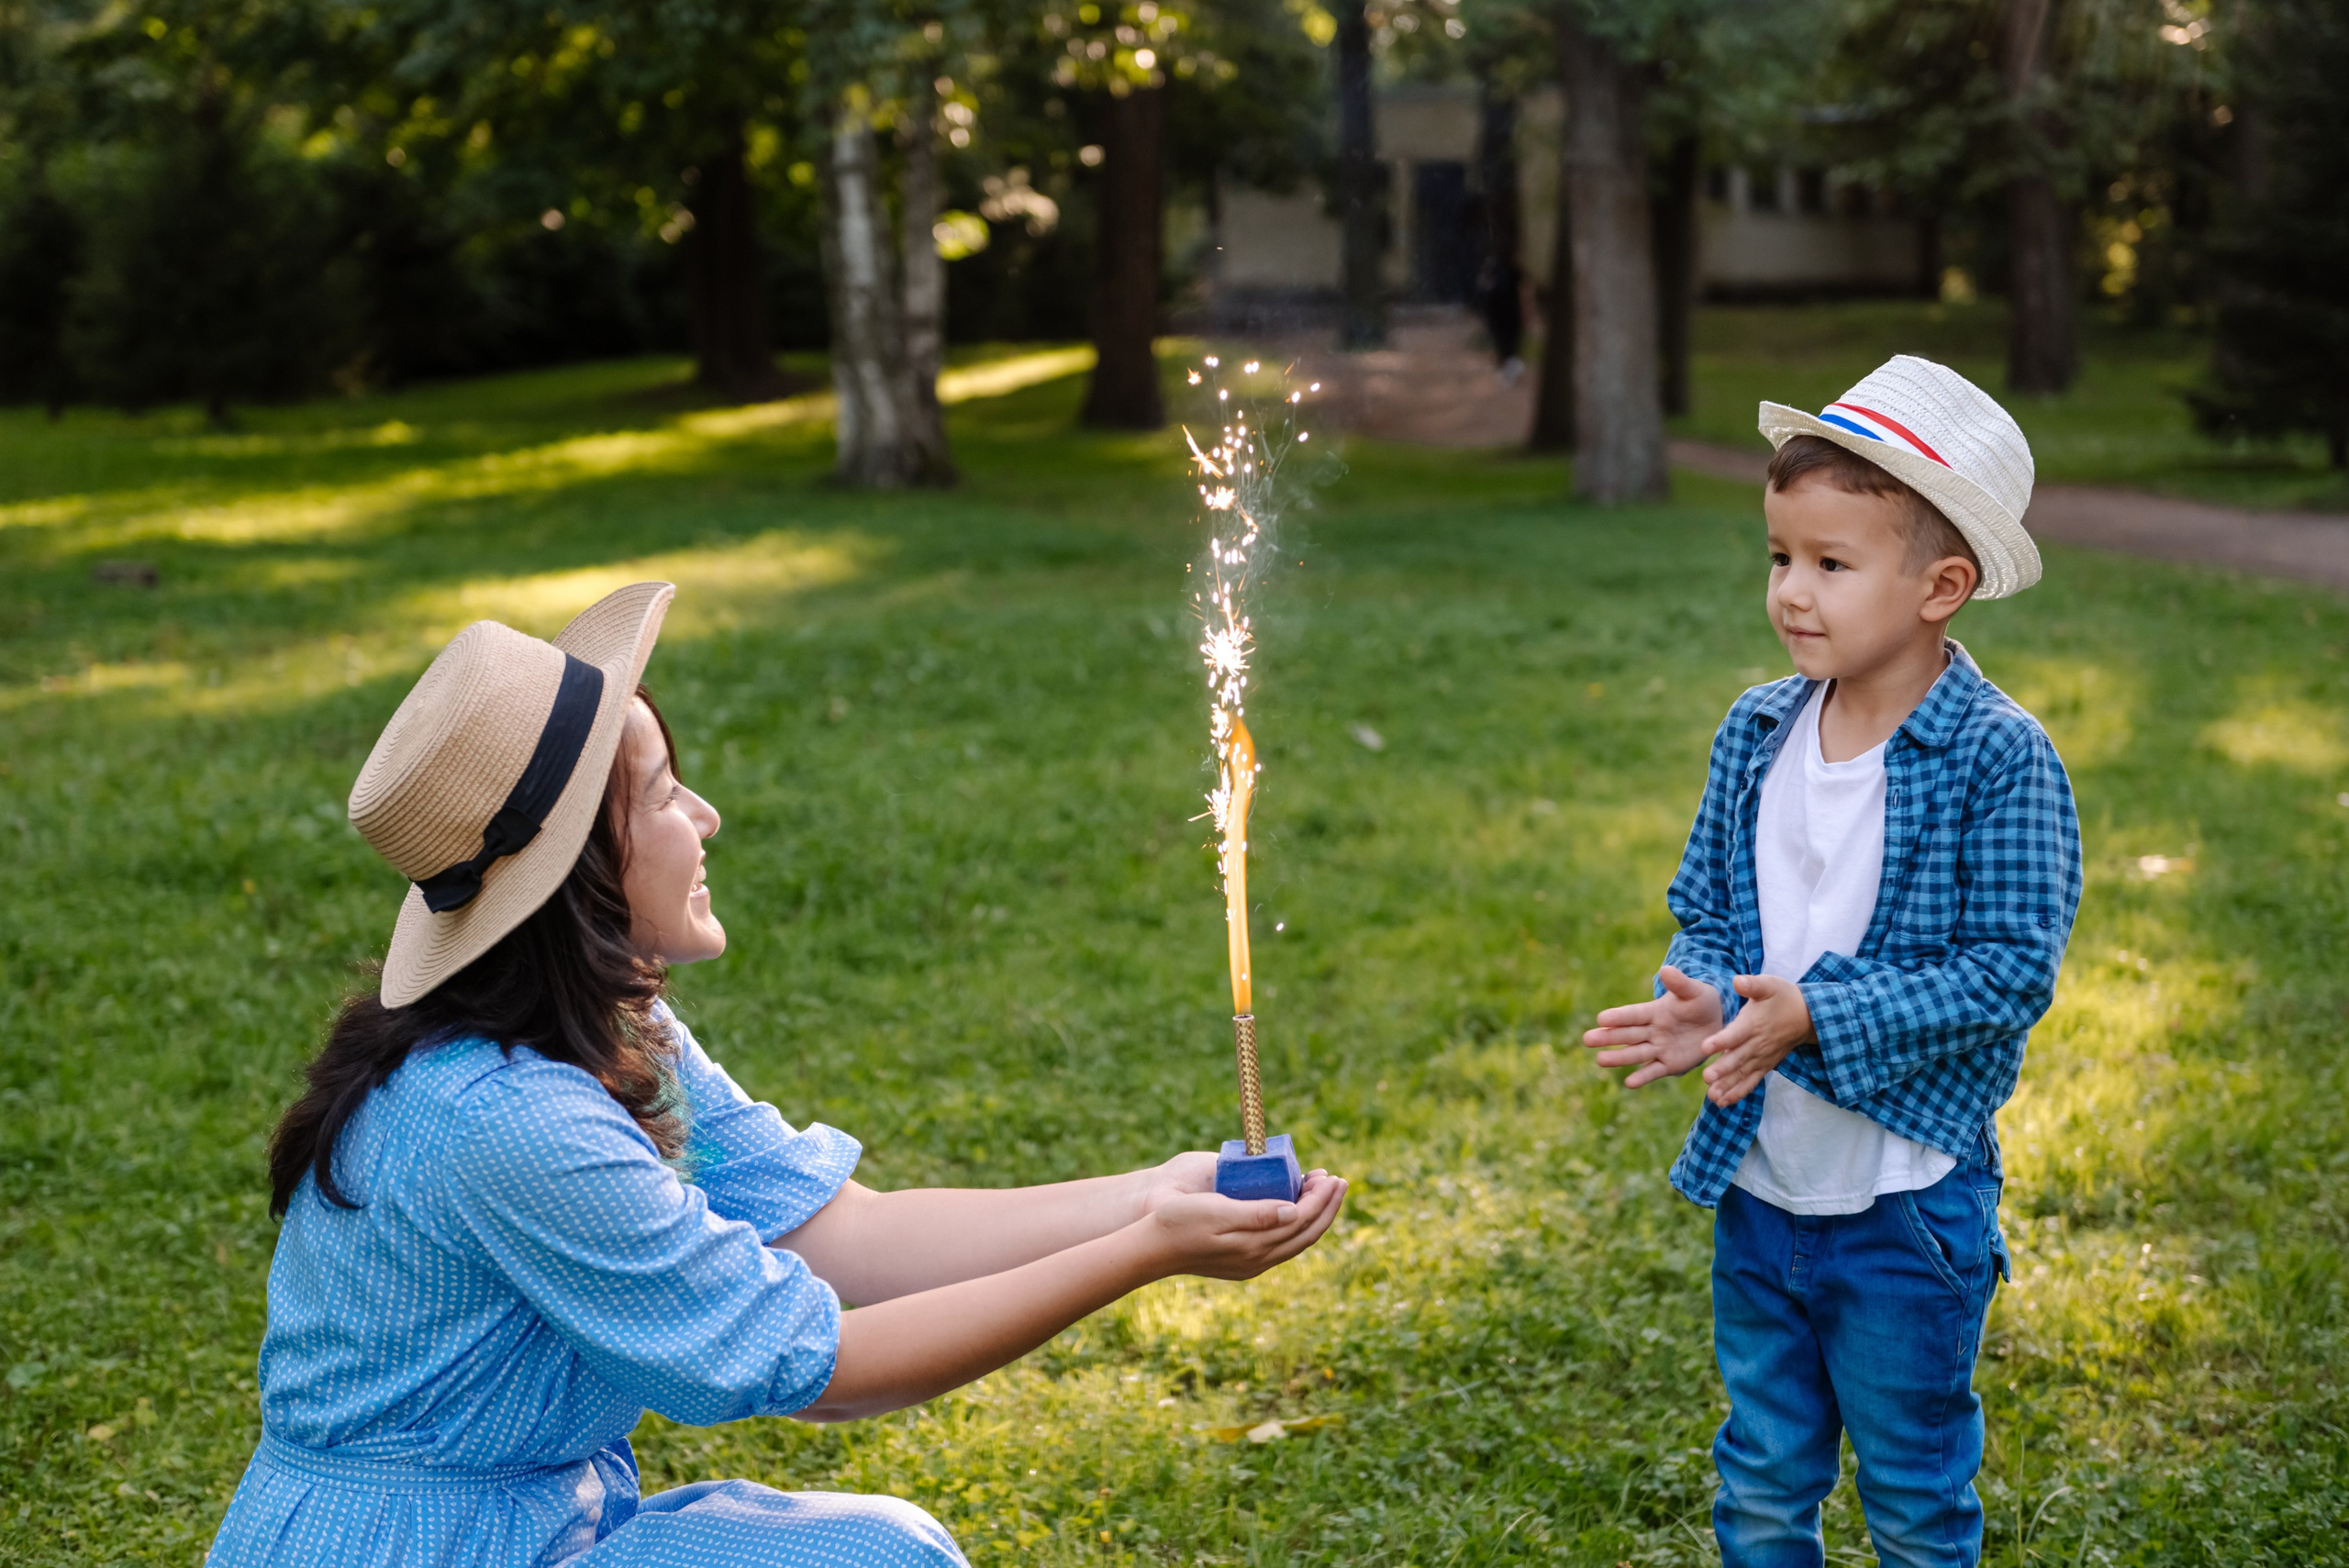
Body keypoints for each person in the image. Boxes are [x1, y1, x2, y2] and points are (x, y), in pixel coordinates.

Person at [207, 582, 1347, 1567]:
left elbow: (847, 1235)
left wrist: (1154, 1190)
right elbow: (832, 1369)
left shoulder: (614, 1028)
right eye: (659, 797)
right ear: (578, 874)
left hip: (543, 1523)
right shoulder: (509, 1120)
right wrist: (1147, 1255)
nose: (704, 815)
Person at [1578, 358, 2082, 1567]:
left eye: (1832, 564)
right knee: (1760, 1474)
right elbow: (1705, 906)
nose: (1792, 593)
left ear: (1941, 586)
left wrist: (1817, 1012)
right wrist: (1694, 997)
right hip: (1761, 1189)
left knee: (1912, 1493)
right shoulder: (1757, 731)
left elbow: (2011, 968)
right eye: (1779, 558)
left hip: (1906, 1205)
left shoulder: (2000, 761)